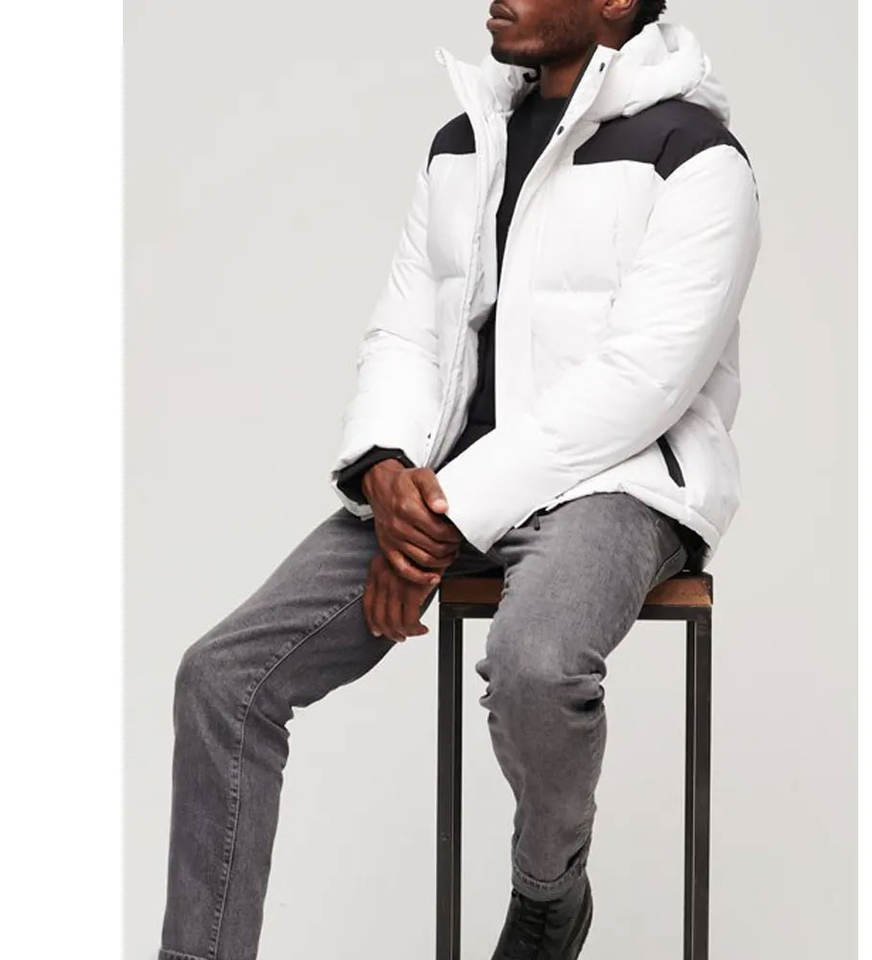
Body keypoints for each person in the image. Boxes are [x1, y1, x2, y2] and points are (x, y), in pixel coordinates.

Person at [158, 2, 761, 958]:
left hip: (615, 485)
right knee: (221, 679)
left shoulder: (693, 155)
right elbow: (407, 331)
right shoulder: (463, 143)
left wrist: (447, 514)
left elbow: (642, 382)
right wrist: (386, 470)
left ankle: (549, 895)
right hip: (437, 490)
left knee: (536, 663)